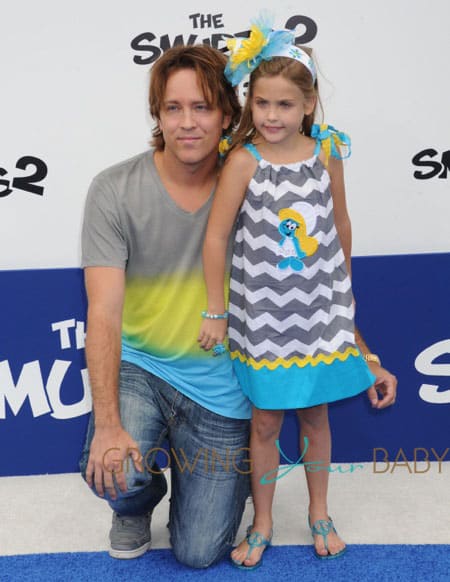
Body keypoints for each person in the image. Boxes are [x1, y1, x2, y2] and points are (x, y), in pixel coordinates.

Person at [198, 20, 397, 570]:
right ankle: (262, 520)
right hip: (261, 320)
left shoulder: (327, 152)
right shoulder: (243, 160)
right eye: (261, 103)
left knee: (315, 417)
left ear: (308, 103)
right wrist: (217, 309)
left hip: (321, 316)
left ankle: (318, 511)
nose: (271, 115)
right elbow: (216, 237)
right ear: (249, 103)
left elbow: (341, 224)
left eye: (285, 104)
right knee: (264, 422)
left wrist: (345, 297)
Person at [78, 45, 252, 568]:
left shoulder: (251, 184)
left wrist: (360, 347)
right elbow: (104, 313)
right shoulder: (114, 189)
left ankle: (203, 489)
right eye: (173, 108)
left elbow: (311, 275)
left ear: (227, 114)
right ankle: (137, 501)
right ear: (158, 114)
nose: (187, 123)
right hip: (143, 366)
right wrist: (108, 425)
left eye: (201, 107)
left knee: (199, 553)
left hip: (223, 388)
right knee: (118, 471)